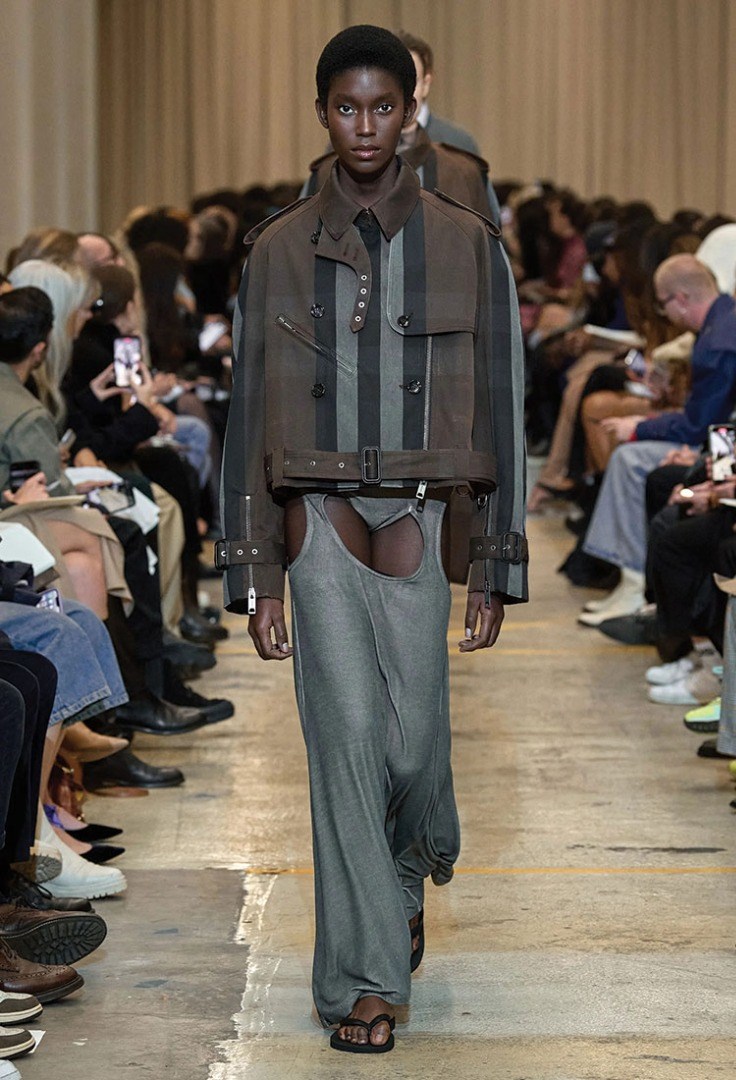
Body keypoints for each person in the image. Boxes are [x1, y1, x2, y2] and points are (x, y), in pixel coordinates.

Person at [219, 25, 527, 1053]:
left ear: (409, 111)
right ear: (322, 112)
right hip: (316, 514)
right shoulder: (275, 247)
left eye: (382, 107)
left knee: (413, 746)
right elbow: (247, 416)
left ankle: (407, 864)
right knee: (347, 746)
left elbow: (503, 404)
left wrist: (497, 559)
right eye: (346, 107)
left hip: (425, 512)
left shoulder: (465, 240)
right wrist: (255, 573)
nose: (364, 125)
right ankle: (364, 980)